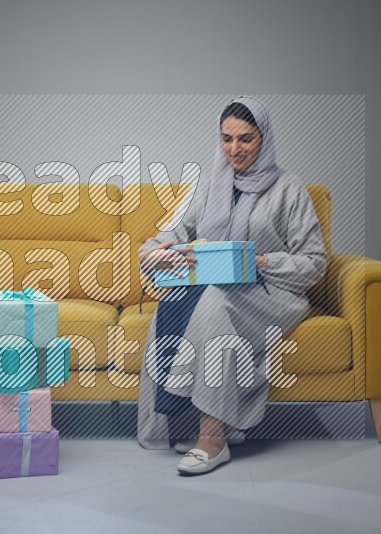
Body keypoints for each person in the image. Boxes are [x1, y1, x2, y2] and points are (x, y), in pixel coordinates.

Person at [136, 96, 328, 475]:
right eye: (226, 139)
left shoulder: (289, 189)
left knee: (213, 304)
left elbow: (314, 263)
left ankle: (213, 437)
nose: (234, 150)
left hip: (271, 292)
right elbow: (171, 233)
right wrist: (156, 250)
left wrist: (259, 262)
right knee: (181, 300)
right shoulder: (210, 184)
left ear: (264, 138)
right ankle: (179, 423)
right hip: (217, 288)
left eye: (245, 139)